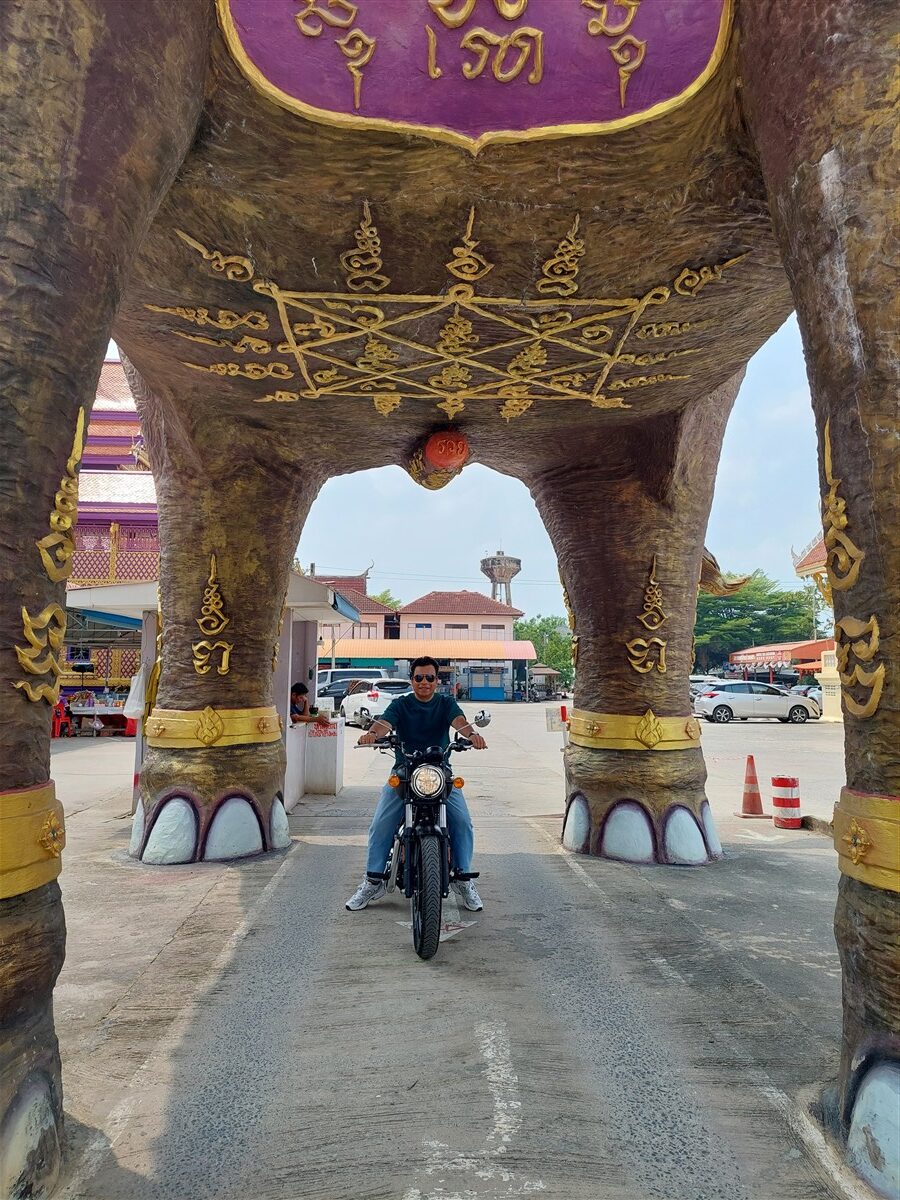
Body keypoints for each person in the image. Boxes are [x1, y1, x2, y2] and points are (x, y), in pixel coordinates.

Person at [345, 655, 486, 913]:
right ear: (412, 680)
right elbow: (384, 724)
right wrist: (372, 734)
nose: (424, 682)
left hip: (440, 771)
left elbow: (460, 722)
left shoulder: (445, 703)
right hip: (405, 771)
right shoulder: (401, 704)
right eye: (419, 677)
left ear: (437, 680)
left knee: (462, 821)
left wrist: (473, 735)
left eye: (429, 677)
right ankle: (373, 880)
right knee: (381, 823)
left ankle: (464, 879)